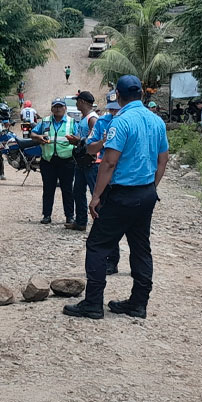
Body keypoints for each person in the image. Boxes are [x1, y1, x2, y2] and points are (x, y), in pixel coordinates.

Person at [64, 74, 169, 321]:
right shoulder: (156, 121)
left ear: (118, 97)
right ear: (141, 94)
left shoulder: (120, 122)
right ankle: (138, 303)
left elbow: (109, 163)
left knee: (98, 245)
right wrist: (150, 188)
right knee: (141, 248)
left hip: (121, 194)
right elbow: (162, 160)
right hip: (146, 193)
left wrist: (96, 196)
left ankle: (92, 304)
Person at [86, 95, 123, 274]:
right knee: (105, 220)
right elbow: (90, 147)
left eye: (117, 108)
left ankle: (137, 267)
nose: (114, 112)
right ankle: (110, 260)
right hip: (103, 175)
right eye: (111, 109)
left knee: (134, 229)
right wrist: (103, 142)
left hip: (124, 179)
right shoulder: (102, 122)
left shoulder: (129, 121)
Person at [32, 99, 80, 226]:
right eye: (55, 107)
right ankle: (47, 215)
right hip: (48, 161)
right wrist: (38, 137)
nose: (58, 109)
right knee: (48, 189)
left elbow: (80, 138)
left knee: (67, 189)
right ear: (52, 109)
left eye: (60, 106)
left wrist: (76, 140)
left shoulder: (72, 122)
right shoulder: (46, 121)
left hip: (67, 161)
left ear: (65, 108)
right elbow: (33, 134)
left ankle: (70, 216)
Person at [67, 90, 100, 231]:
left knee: (95, 193)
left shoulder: (92, 119)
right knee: (78, 191)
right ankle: (81, 221)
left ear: (83, 102)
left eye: (78, 101)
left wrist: (79, 140)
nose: (76, 103)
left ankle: (100, 223)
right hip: (82, 161)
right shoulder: (84, 117)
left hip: (91, 162)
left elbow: (96, 139)